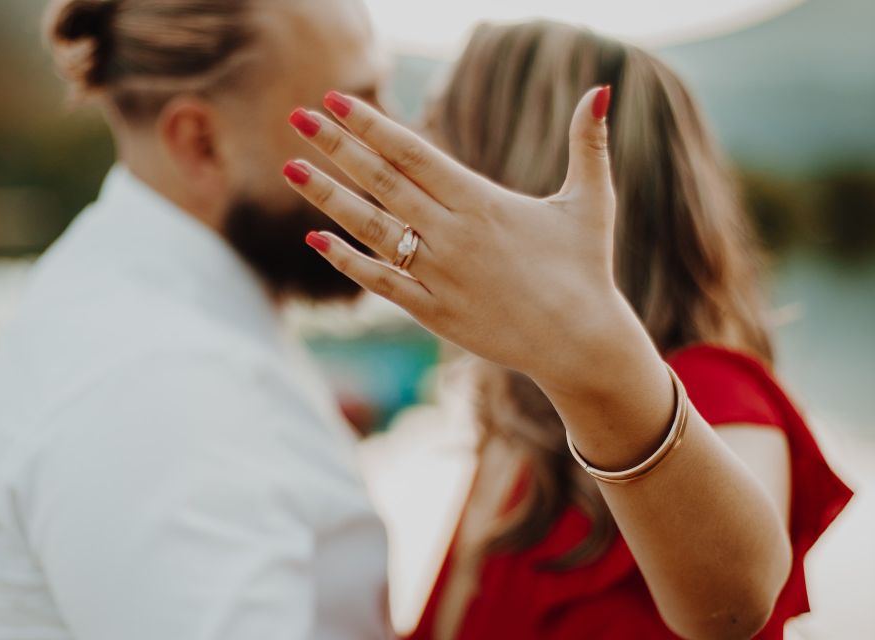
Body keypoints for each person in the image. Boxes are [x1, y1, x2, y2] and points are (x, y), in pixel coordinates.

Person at [284, 21, 854, 640]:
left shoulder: (713, 393)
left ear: (520, 166)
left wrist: (590, 356)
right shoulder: (516, 420)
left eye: (444, 122)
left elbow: (734, 605)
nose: (416, 143)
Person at [0, 1, 396, 638]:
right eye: (354, 111)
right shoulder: (158, 387)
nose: (397, 149)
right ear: (200, 143)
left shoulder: (145, 305)